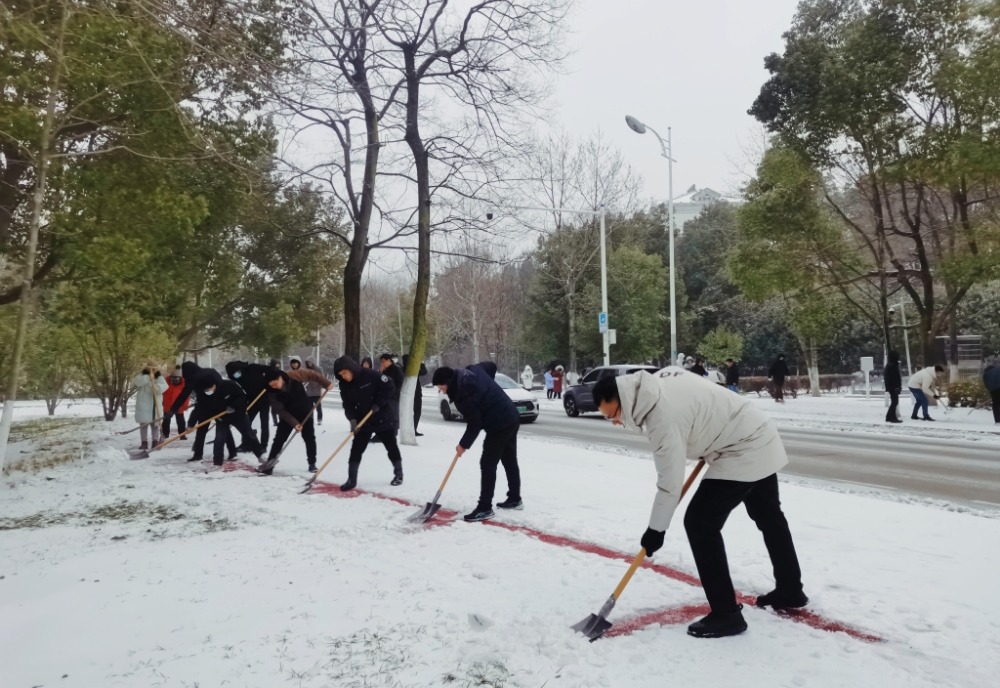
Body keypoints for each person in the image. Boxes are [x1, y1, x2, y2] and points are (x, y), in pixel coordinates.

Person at [592, 367, 807, 639]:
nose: (614, 422)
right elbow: (701, 405)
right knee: (768, 515)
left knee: (700, 523)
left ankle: (726, 615)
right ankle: (790, 589)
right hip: (757, 429)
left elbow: (669, 484)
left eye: (612, 415)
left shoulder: (660, 419)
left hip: (741, 447)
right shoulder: (656, 381)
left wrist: (656, 530)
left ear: (624, 399)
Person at [432, 362, 522, 522]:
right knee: (509, 459)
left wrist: (463, 445)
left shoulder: (463, 396)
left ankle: (485, 508)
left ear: (449, 382)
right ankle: (515, 498)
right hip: (511, 414)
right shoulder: (471, 370)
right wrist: (488, 389)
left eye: (441, 387)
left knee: (487, 463)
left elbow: (475, 424)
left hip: (499, 424)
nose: (441, 390)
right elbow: (491, 366)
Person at [333, 356, 404, 489]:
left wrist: (378, 404)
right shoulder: (344, 384)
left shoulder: (370, 375)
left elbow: (389, 387)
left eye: (344, 373)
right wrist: (352, 420)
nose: (343, 377)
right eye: (340, 375)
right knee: (356, 450)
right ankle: (351, 480)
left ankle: (399, 474)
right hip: (363, 420)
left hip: (382, 416)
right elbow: (347, 404)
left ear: (351, 369)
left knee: (391, 446)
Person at [257, 365, 333, 474]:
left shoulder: (293, 376)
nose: (275, 386)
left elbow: (312, 374)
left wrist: (326, 383)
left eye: (275, 382)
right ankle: (269, 465)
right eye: (271, 385)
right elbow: (280, 410)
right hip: (288, 416)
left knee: (309, 438)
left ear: (280, 377)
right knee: (279, 439)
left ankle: (312, 463)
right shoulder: (271, 393)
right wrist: (295, 423)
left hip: (305, 412)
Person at [167, 360, 234, 462]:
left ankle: (198, 454)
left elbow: (184, 394)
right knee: (223, 429)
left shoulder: (192, 377)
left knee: (201, 430)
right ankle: (232, 452)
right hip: (218, 404)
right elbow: (222, 386)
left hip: (206, 406)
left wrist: (173, 409)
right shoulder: (211, 371)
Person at [199, 378, 266, 466]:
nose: (208, 391)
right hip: (222, 418)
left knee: (249, 435)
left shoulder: (228, 385)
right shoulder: (205, 395)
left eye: (209, 389)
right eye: (206, 390)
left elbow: (242, 397)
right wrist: (216, 416)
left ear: (214, 385)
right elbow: (207, 408)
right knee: (219, 439)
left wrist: (233, 406)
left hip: (238, 415)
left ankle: (261, 456)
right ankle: (217, 462)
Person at [225, 360, 273, 450]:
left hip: (264, 398)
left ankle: (263, 445)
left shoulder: (253, 367)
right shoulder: (236, 378)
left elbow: (270, 370)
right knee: (246, 422)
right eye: (233, 373)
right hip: (252, 400)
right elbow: (240, 392)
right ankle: (247, 443)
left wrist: (268, 383)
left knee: (264, 423)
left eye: (236, 371)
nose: (236, 374)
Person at [133, 365, 167, 449]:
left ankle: (155, 441)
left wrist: (157, 387)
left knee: (155, 424)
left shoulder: (159, 377)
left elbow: (165, 386)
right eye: (151, 368)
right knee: (143, 424)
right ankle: (144, 442)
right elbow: (137, 382)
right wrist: (148, 377)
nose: (153, 370)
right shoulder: (142, 376)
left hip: (155, 405)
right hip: (144, 404)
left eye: (154, 368)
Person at [402, 353, 428, 436]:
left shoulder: (402, 369)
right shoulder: (413, 370)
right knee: (417, 412)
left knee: (408, 412)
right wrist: (421, 363)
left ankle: (409, 430)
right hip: (415, 393)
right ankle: (413, 430)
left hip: (406, 393)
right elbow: (424, 371)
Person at [161, 365, 189, 440]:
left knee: (180, 420)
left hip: (179, 405)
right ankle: (165, 433)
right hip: (168, 405)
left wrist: (185, 405)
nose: (174, 381)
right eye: (173, 378)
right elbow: (161, 393)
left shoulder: (183, 384)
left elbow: (186, 396)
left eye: (176, 379)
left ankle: (182, 434)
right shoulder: (166, 383)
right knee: (166, 420)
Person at [303, 358, 325, 425]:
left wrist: (322, 387)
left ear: (313, 362)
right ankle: (310, 419)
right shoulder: (306, 370)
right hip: (308, 392)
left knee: (318, 407)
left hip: (317, 392)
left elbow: (322, 379)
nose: (309, 364)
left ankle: (319, 419)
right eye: (307, 363)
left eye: (309, 362)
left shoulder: (318, 369)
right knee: (309, 408)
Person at [884, 351, 903, 423]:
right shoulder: (893, 366)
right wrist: (897, 387)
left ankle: (889, 416)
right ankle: (892, 417)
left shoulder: (890, 365)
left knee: (894, 401)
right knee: (895, 402)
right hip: (893, 387)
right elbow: (894, 377)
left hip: (891, 386)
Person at [269, 359, 282, 426]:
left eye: (278, 363)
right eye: (277, 363)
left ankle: (276, 421)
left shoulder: (277, 371)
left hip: (275, 392)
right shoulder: (274, 372)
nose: (278, 365)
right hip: (273, 392)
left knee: (276, 407)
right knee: (277, 407)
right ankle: (277, 421)